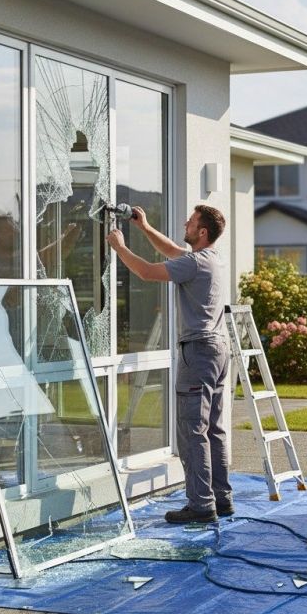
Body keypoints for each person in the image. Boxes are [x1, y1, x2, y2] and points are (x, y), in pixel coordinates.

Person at [106, 205, 232, 524]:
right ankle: (221, 498)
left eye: (190, 222)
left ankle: (201, 506)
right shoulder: (210, 259)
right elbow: (172, 250)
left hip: (199, 351)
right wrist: (145, 227)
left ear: (202, 232)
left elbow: (148, 272)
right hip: (217, 350)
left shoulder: (194, 263)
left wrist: (120, 247)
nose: (185, 224)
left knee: (192, 431)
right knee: (213, 429)